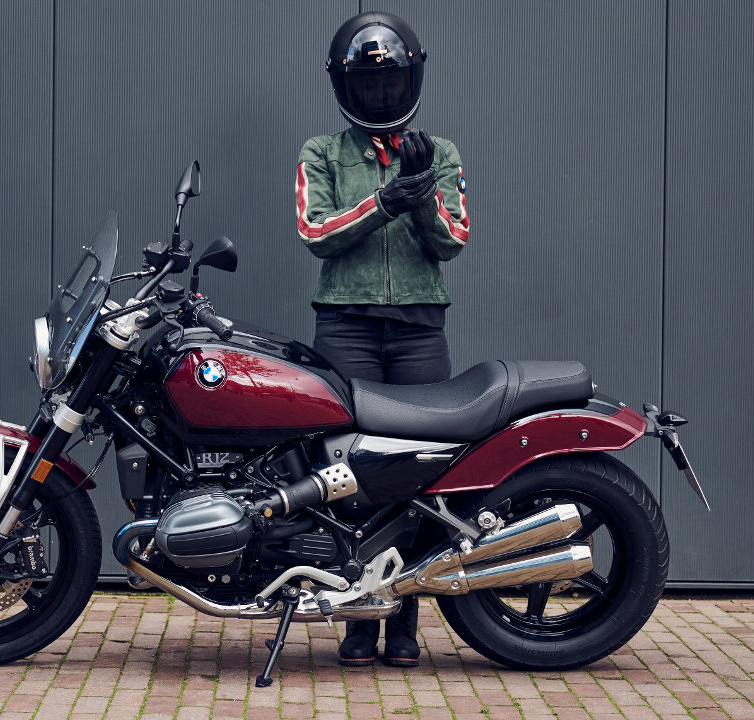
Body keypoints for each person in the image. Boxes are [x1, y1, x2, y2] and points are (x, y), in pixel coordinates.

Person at [295, 10, 470, 668]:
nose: (381, 93)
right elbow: (316, 234)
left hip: (420, 329)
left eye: (391, 81)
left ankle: (404, 623)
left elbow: (451, 242)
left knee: (421, 472)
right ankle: (355, 620)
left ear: (410, 80)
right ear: (347, 87)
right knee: (346, 473)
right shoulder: (322, 152)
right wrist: (385, 201)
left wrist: (420, 196)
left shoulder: (440, 152)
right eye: (369, 84)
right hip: (346, 326)